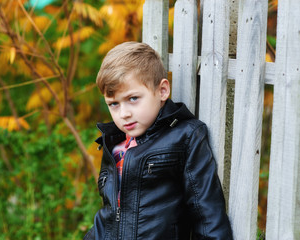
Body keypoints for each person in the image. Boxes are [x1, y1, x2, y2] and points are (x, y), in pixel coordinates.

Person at [84, 42, 233, 240]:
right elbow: (109, 214)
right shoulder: (114, 145)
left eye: (133, 98)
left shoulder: (184, 137)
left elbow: (206, 213)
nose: (124, 113)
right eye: (114, 104)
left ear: (162, 91)